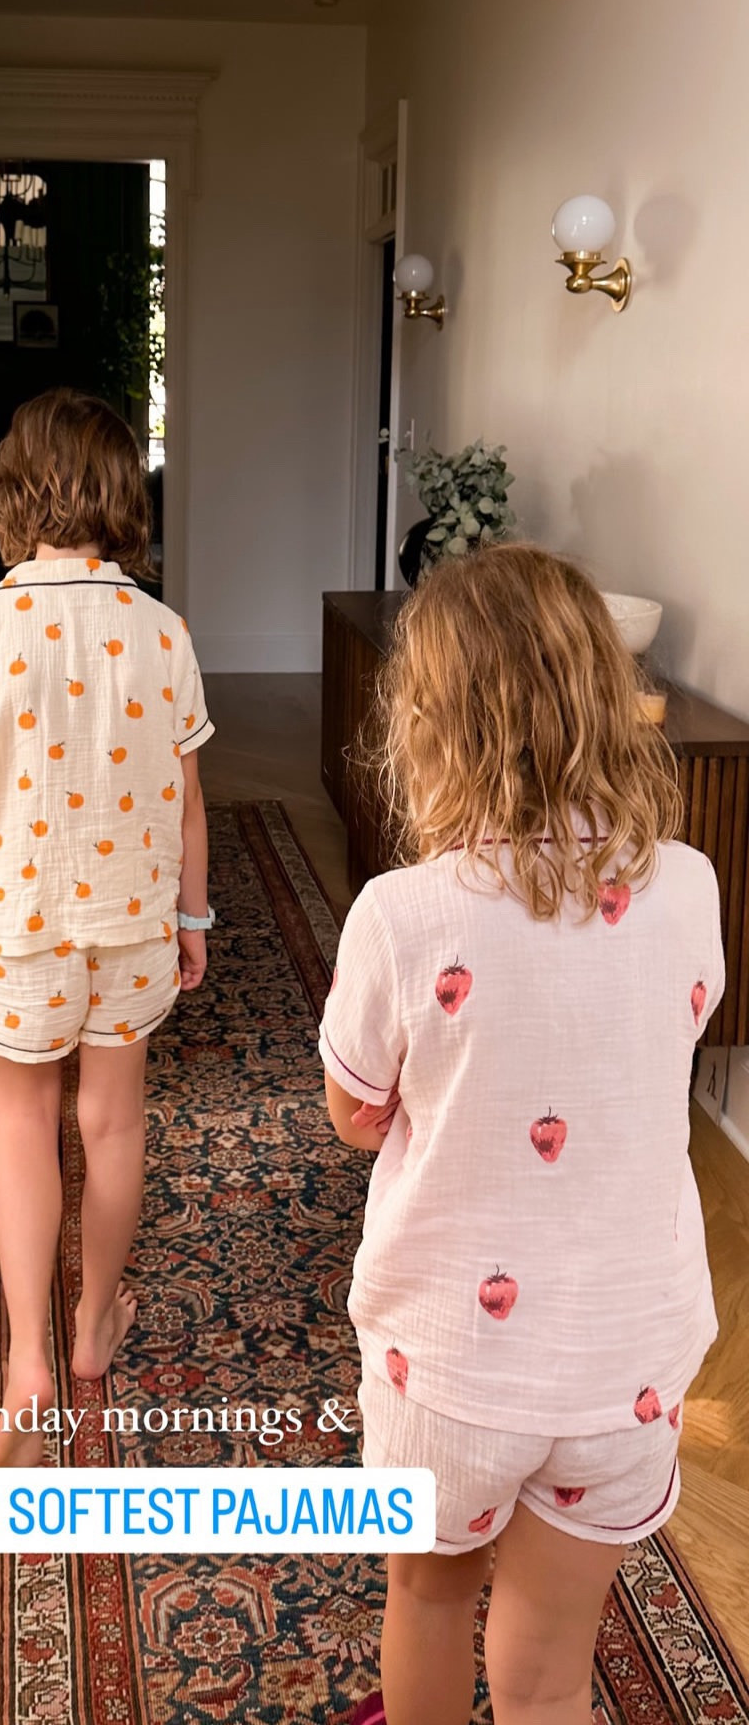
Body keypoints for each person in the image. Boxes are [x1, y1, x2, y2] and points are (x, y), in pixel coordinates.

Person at [319, 545, 723, 1725]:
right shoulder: (693, 884)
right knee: (552, 1662)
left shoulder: (404, 914)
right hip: (629, 1366)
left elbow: (356, 1113)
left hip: (448, 1367)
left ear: (430, 728)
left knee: (432, 1602)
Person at [0, 388, 214, 1466]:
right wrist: (193, 917)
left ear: (10, 497)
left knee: (23, 1124)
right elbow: (189, 796)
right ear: (127, 502)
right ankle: (92, 1327)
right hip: (129, 926)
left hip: (21, 932)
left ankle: (27, 1357)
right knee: (113, 1125)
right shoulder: (163, 634)